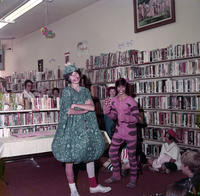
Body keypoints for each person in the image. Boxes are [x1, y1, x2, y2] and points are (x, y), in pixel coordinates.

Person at [52, 63, 111, 196]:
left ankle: (93, 186)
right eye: (72, 75)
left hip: (86, 127)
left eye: (76, 73)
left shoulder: (85, 91)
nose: (75, 76)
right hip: (71, 128)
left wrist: (76, 106)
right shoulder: (66, 91)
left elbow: (92, 108)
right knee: (69, 157)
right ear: (68, 78)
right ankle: (73, 190)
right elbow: (68, 111)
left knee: (90, 155)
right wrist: (82, 109)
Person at [104, 78, 140, 188]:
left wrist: (125, 117)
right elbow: (114, 116)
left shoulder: (131, 101)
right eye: (118, 87)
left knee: (132, 157)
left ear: (126, 87)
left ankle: (133, 179)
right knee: (112, 152)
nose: (121, 89)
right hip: (119, 131)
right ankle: (116, 175)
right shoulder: (114, 100)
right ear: (116, 87)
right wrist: (107, 112)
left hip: (131, 133)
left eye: (123, 86)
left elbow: (137, 118)